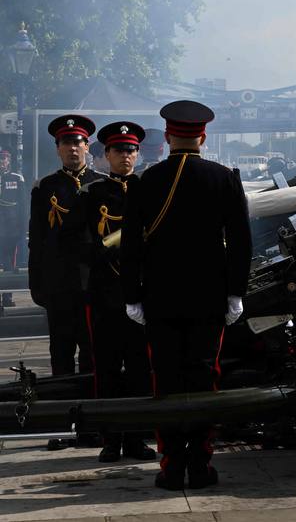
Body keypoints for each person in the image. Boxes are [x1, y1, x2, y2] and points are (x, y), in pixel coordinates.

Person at [121, 101, 250, 490]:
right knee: (204, 377)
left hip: (159, 300)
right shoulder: (225, 178)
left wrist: (132, 297)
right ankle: (200, 463)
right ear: (203, 136)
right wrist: (235, 294)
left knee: (167, 381)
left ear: (167, 137)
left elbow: (130, 246)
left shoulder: (146, 181)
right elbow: (241, 242)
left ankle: (172, 465)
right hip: (209, 299)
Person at [76, 122, 155, 463]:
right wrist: (112, 246)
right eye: (119, 150)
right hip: (105, 294)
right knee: (105, 370)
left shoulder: (149, 190)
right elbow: (77, 243)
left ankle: (137, 438)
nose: (126, 156)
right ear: (105, 154)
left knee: (140, 370)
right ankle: (111, 440)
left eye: (131, 150)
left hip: (140, 294)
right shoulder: (91, 194)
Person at [29, 115, 103, 383]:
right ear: (58, 148)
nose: (73, 148)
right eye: (66, 143)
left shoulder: (101, 185)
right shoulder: (44, 187)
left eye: (78, 142)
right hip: (57, 282)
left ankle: (91, 416)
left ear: (87, 146)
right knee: (60, 351)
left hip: (92, 284)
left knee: (92, 354)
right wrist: (35, 282)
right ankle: (62, 407)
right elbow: (36, 239)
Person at [0, 149, 24, 271]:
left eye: (4, 158)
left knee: (9, 256)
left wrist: (23, 225)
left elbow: (23, 204)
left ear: (8, 160)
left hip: (10, 224)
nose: (1, 161)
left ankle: (7, 285)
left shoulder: (17, 178)